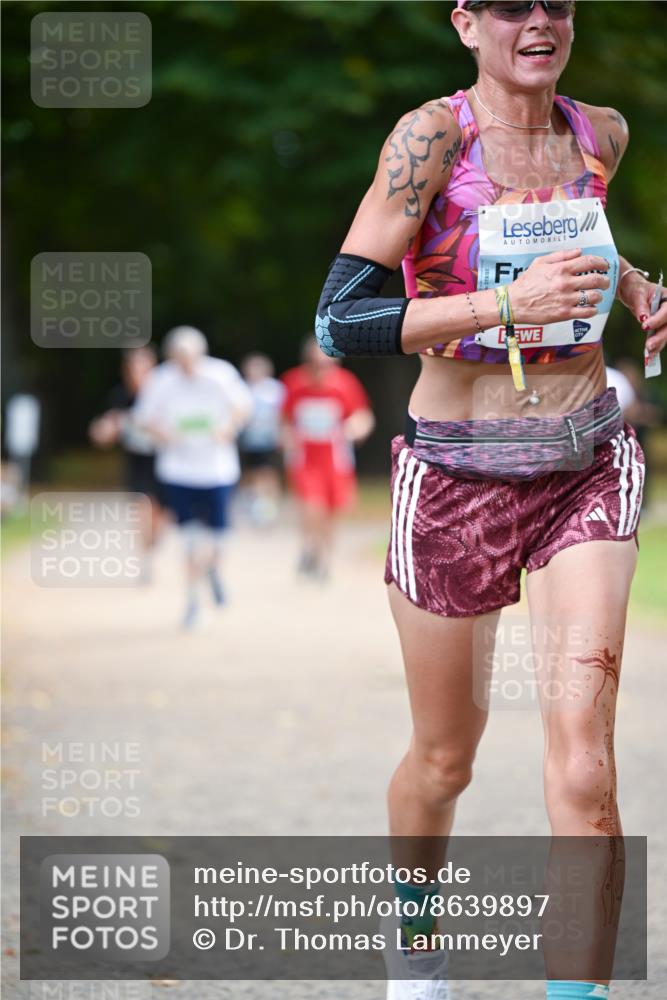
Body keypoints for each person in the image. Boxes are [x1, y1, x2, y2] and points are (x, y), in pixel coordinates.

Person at [314, 2, 667, 998]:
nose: (539, 19)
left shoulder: (599, 132)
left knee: (584, 764)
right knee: (443, 760)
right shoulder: (431, 138)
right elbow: (341, 318)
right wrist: (506, 306)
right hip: (455, 475)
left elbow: (581, 244)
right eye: (511, 4)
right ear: (466, 23)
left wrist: (638, 292)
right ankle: (416, 944)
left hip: (584, 461)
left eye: (557, 1)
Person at [133, 327, 252, 629]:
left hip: (217, 470)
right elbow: (144, 417)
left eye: (190, 357)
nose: (185, 364)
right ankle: (192, 601)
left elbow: (243, 406)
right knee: (188, 540)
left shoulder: (220, 374)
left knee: (220, 537)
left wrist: (229, 428)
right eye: (179, 358)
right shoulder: (161, 379)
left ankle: (213, 569)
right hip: (179, 471)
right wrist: (163, 433)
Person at [281, 335, 375, 581]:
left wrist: (355, 428)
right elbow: (284, 419)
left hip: (335, 460)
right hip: (305, 458)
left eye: (326, 363)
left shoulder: (345, 383)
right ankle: (310, 546)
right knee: (312, 506)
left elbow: (363, 416)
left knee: (331, 513)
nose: (320, 369)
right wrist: (286, 436)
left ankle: (324, 559)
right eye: (315, 363)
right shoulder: (294, 382)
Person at [88, 345, 166, 554]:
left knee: (160, 512)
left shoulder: (165, 394)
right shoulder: (119, 395)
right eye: (134, 368)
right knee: (141, 505)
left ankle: (153, 538)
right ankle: (145, 551)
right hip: (136, 461)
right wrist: (103, 430)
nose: (138, 374)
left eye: (143, 368)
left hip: (164, 461)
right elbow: (103, 428)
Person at [238, 352, 285, 526]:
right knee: (250, 474)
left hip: (269, 440)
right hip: (248, 441)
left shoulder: (275, 389)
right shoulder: (242, 388)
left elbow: (283, 414)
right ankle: (254, 505)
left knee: (268, 473)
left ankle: (269, 508)